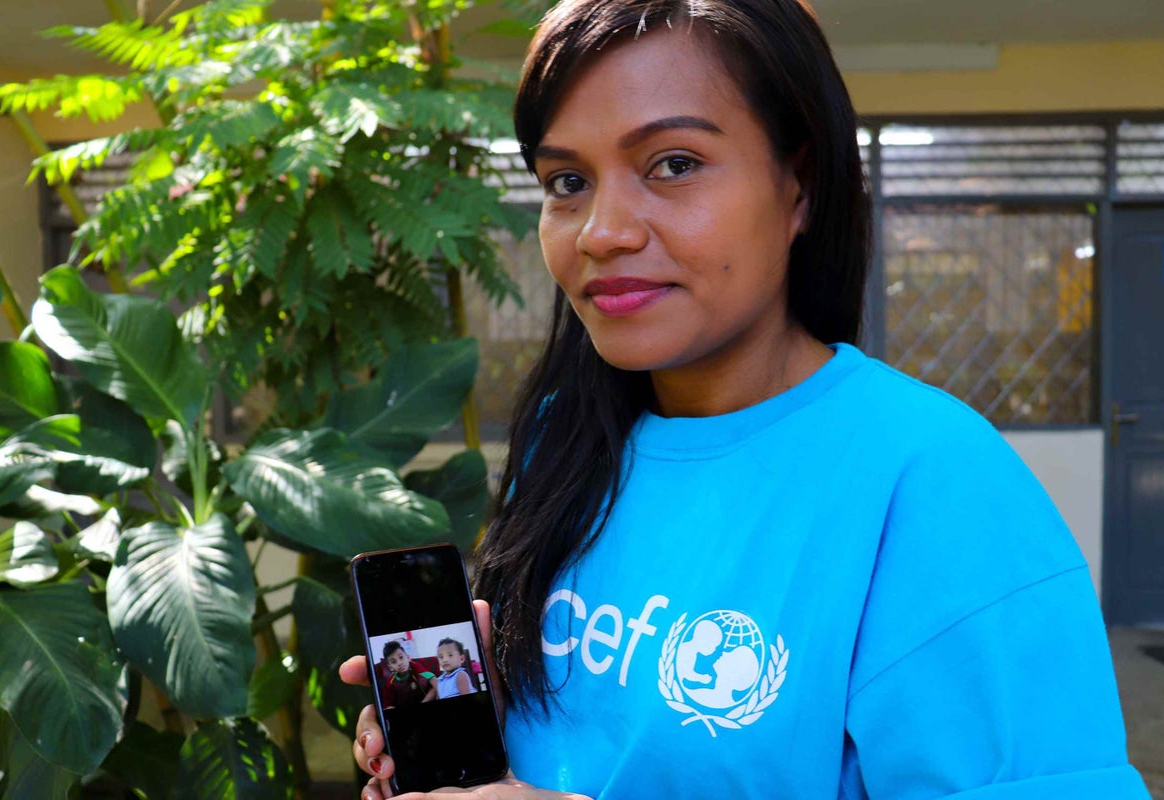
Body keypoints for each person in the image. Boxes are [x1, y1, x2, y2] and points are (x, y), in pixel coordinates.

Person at [339, 0, 1151, 797]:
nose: (601, 232)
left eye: (674, 164)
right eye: (567, 180)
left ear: (798, 187)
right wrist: (501, 723)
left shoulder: (939, 484)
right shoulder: (566, 439)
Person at [378, 641, 434, 709]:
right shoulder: (390, 683)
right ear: (390, 667)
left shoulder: (415, 667)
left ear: (408, 657)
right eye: (394, 662)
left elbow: (434, 682)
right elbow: (388, 705)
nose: (399, 663)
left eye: (401, 657)